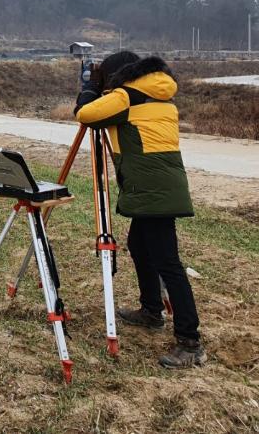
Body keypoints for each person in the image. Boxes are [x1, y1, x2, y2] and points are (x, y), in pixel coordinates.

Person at [75, 51, 206, 369]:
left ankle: (190, 343)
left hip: (152, 191)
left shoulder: (126, 97)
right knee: (139, 245)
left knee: (169, 264)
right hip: (160, 186)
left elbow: (85, 114)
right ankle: (151, 310)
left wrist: (90, 89)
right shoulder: (158, 94)